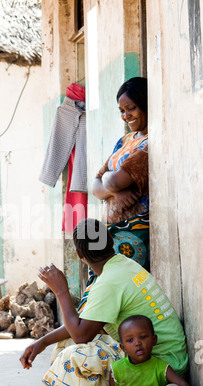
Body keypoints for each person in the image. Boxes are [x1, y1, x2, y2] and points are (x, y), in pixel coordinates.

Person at [20, 218, 188, 386]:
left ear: (78, 254)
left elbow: (81, 335)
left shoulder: (109, 282)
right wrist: (42, 342)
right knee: (63, 343)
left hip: (164, 365)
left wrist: (61, 291)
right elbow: (82, 324)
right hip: (171, 356)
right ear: (111, 239)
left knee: (74, 356)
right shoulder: (123, 264)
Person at [93, 77, 149, 270]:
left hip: (135, 231)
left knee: (129, 288)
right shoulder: (125, 141)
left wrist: (109, 183)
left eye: (131, 108)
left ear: (145, 104)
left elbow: (114, 180)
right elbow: (94, 185)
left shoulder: (147, 144)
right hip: (113, 233)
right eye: (122, 111)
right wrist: (114, 192)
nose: (126, 115)